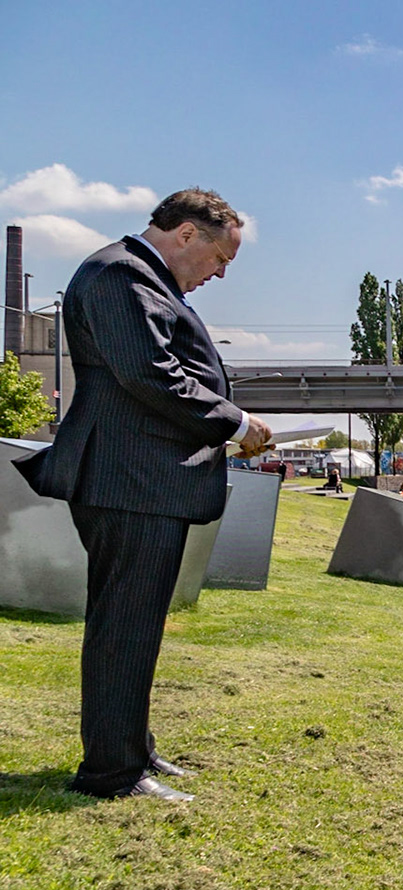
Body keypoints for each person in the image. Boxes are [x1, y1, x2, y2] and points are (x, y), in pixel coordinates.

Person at [11, 188, 272, 803]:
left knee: (135, 625)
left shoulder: (141, 278)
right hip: (129, 480)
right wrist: (235, 422)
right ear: (186, 235)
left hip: (140, 480)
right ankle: (113, 773)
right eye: (220, 259)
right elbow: (149, 372)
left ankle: (132, 750)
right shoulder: (119, 276)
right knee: (124, 626)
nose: (220, 274)